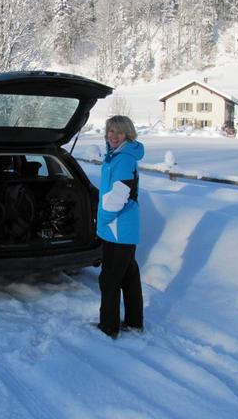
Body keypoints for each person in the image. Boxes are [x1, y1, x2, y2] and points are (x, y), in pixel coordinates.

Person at [96, 115, 144, 338]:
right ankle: (134, 322)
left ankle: (109, 327)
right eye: (111, 131)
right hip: (122, 227)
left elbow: (118, 195)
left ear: (128, 134)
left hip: (117, 227)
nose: (113, 136)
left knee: (110, 279)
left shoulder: (123, 159)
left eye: (119, 132)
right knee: (128, 276)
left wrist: (103, 218)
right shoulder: (117, 156)